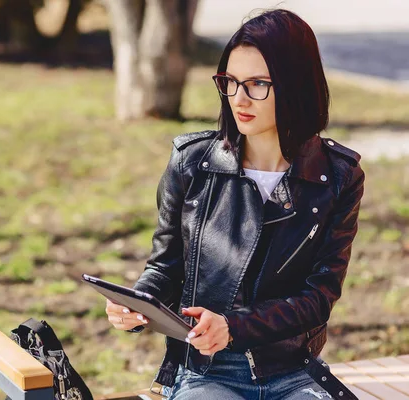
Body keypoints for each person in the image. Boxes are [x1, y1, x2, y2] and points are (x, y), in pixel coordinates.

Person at [104, 8, 364, 400]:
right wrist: (138, 305)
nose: (238, 98)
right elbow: (166, 265)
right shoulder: (192, 162)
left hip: (292, 372)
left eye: (257, 84)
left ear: (295, 86)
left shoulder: (337, 177)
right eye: (230, 81)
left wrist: (234, 326)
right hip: (206, 373)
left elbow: (318, 298)